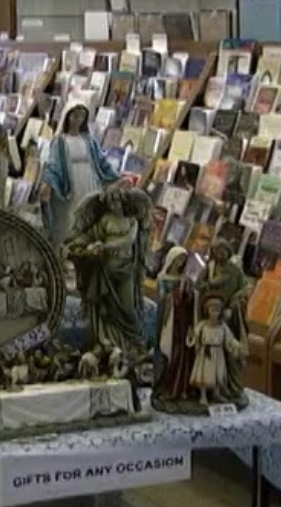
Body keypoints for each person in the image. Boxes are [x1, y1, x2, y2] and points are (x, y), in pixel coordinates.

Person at [66, 186, 151, 352]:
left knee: (128, 309)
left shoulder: (131, 220)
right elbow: (89, 235)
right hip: (106, 271)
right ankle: (107, 343)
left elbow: (128, 240)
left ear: (122, 200)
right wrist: (82, 245)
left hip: (125, 270)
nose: (114, 204)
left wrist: (104, 246)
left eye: (117, 199)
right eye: (111, 201)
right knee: (104, 311)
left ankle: (131, 343)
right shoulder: (104, 220)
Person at [40, 103, 121, 247]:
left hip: (89, 181)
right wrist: (48, 183)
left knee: (89, 212)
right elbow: (53, 165)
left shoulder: (89, 140)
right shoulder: (59, 141)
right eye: (75, 116)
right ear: (67, 117)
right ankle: (70, 246)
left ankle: (88, 244)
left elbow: (101, 160)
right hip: (71, 184)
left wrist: (115, 177)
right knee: (72, 216)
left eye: (82, 116)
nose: (78, 120)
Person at [153, 246, 196, 402]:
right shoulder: (162, 278)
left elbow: (190, 298)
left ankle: (178, 385)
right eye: (178, 260)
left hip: (181, 320)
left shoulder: (185, 279)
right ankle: (162, 383)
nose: (180, 263)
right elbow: (162, 298)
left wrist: (188, 292)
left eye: (183, 260)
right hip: (167, 317)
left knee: (179, 351)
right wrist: (173, 297)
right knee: (164, 347)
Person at [187, 294, 245, 406]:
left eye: (217, 310)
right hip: (206, 353)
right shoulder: (203, 325)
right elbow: (195, 335)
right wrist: (191, 336)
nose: (215, 313)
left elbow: (229, 338)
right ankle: (203, 396)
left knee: (218, 373)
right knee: (205, 373)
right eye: (212, 310)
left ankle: (216, 393)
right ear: (207, 311)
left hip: (218, 353)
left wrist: (238, 345)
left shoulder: (222, 326)